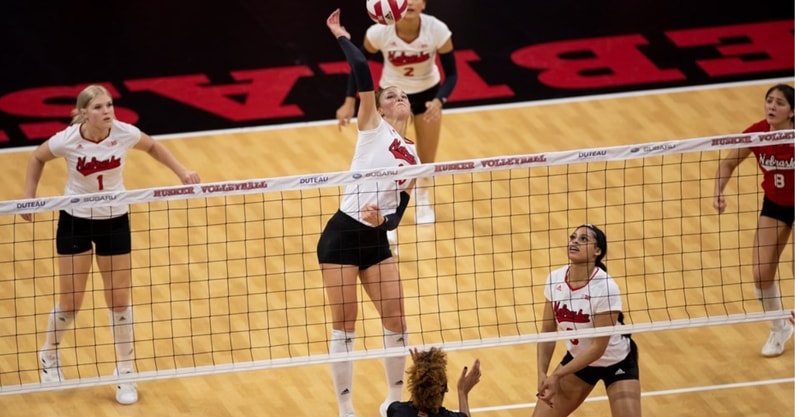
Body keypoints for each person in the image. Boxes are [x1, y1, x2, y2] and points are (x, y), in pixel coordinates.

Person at [21, 84, 201, 404]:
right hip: (75, 220)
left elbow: (154, 147)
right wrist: (28, 199)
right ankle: (49, 356)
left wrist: (182, 172)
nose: (107, 111)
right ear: (83, 114)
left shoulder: (125, 133)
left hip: (115, 221)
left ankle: (125, 373)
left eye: (109, 105)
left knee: (119, 301)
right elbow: (37, 158)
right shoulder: (68, 139)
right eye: (99, 107)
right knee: (71, 303)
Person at [319, 9, 421, 417]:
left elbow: (401, 208)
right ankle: (346, 408)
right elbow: (362, 68)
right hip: (342, 236)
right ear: (378, 106)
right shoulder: (372, 126)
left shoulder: (413, 154)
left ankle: (392, 401)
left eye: (403, 94)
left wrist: (387, 223)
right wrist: (342, 36)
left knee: (397, 320)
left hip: (375, 239)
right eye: (391, 94)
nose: (399, 97)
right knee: (346, 325)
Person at [335, 0, 457, 230]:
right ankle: (382, 212)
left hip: (427, 96)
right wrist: (349, 100)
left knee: (426, 158)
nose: (410, 2)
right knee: (386, 157)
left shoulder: (437, 30)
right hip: (391, 97)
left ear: (424, 4)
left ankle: (422, 198)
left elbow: (452, 74)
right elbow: (359, 67)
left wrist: (440, 100)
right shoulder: (378, 32)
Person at [713, 83, 795, 357]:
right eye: (769, 100)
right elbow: (728, 163)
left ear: (792, 112)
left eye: (780, 103)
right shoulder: (758, 133)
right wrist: (718, 192)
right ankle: (779, 328)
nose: (772, 106)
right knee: (761, 275)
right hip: (774, 204)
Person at [534, 224, 641, 417]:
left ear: (597, 251)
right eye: (573, 237)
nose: (574, 241)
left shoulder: (606, 288)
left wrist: (558, 374)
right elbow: (548, 330)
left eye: (583, 239)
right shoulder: (555, 279)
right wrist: (542, 372)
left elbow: (597, 348)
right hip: (579, 362)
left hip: (616, 362)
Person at [384, 347, 481, 417]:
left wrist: (419, 376)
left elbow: (413, 404)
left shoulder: (396, 410)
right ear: (445, 389)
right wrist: (462, 392)